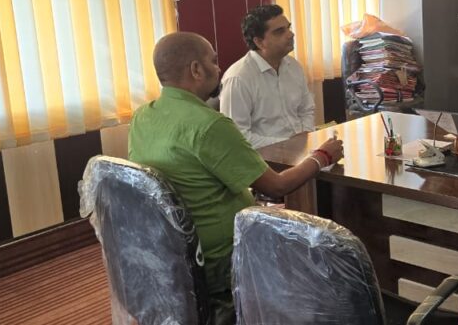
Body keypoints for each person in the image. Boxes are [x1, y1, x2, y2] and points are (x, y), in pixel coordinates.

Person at [129, 32, 343, 324]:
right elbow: (278, 186)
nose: (219, 68)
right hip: (223, 256)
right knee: (320, 250)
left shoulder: (142, 116)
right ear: (196, 69)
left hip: (171, 251)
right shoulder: (209, 125)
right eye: (213, 61)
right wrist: (322, 156)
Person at [220, 4, 315, 149]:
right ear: (259, 42)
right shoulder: (238, 78)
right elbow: (237, 137)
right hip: (264, 157)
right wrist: (286, 144)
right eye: (279, 32)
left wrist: (305, 135)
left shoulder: (293, 66)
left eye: (288, 28)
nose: (290, 34)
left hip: (300, 148)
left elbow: (306, 109)